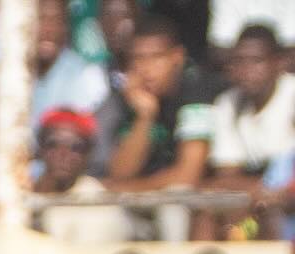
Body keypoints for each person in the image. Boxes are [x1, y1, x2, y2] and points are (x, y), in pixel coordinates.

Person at [101, 13, 217, 205]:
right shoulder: (131, 98)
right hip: (139, 200)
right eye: (138, 59)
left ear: (177, 57)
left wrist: (131, 189)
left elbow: (188, 175)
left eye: (156, 57)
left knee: (175, 199)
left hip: (189, 203)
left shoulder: (196, 90)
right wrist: (144, 116)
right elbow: (120, 174)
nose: (147, 69)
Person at [207, 25, 294, 196]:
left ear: (279, 63)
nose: (246, 70)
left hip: (288, 206)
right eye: (239, 61)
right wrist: (267, 187)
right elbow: (227, 175)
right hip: (257, 204)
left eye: (256, 61)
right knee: (212, 211)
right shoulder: (228, 103)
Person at [31, 109, 127, 245]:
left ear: (89, 154)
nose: (63, 154)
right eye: (53, 144)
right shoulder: (20, 192)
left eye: (75, 147)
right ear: (40, 149)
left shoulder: (98, 202)